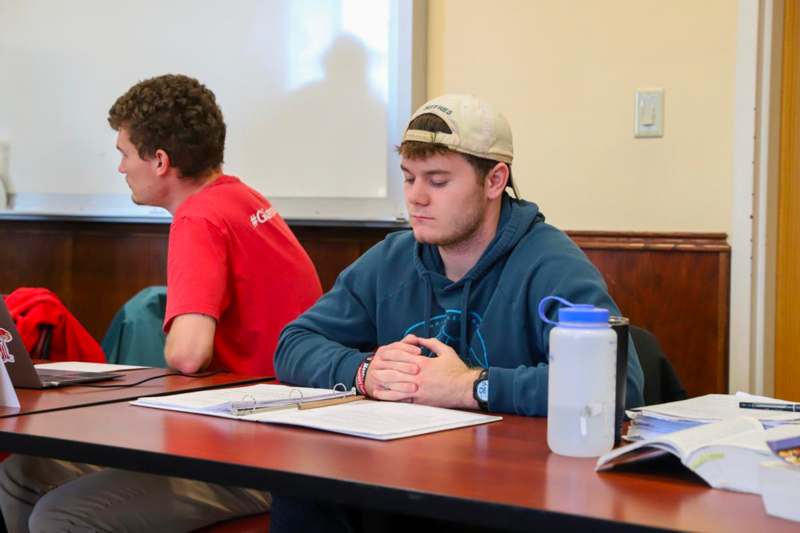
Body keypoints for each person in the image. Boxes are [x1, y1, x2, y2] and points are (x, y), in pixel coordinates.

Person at [271, 93, 644, 531]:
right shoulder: (391, 258)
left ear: (494, 181)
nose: (416, 198)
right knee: (303, 490)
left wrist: (472, 387)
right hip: (408, 478)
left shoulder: (551, 264)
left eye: (438, 181)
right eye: (409, 179)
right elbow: (293, 343)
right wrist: (363, 372)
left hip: (511, 491)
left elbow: (617, 387)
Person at [0, 74, 322, 532]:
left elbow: (189, 355)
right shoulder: (241, 197)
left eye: (124, 154)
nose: (120, 168)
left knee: (58, 515)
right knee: (21, 474)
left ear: (160, 161)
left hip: (257, 454)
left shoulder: (199, 218)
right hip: (279, 434)